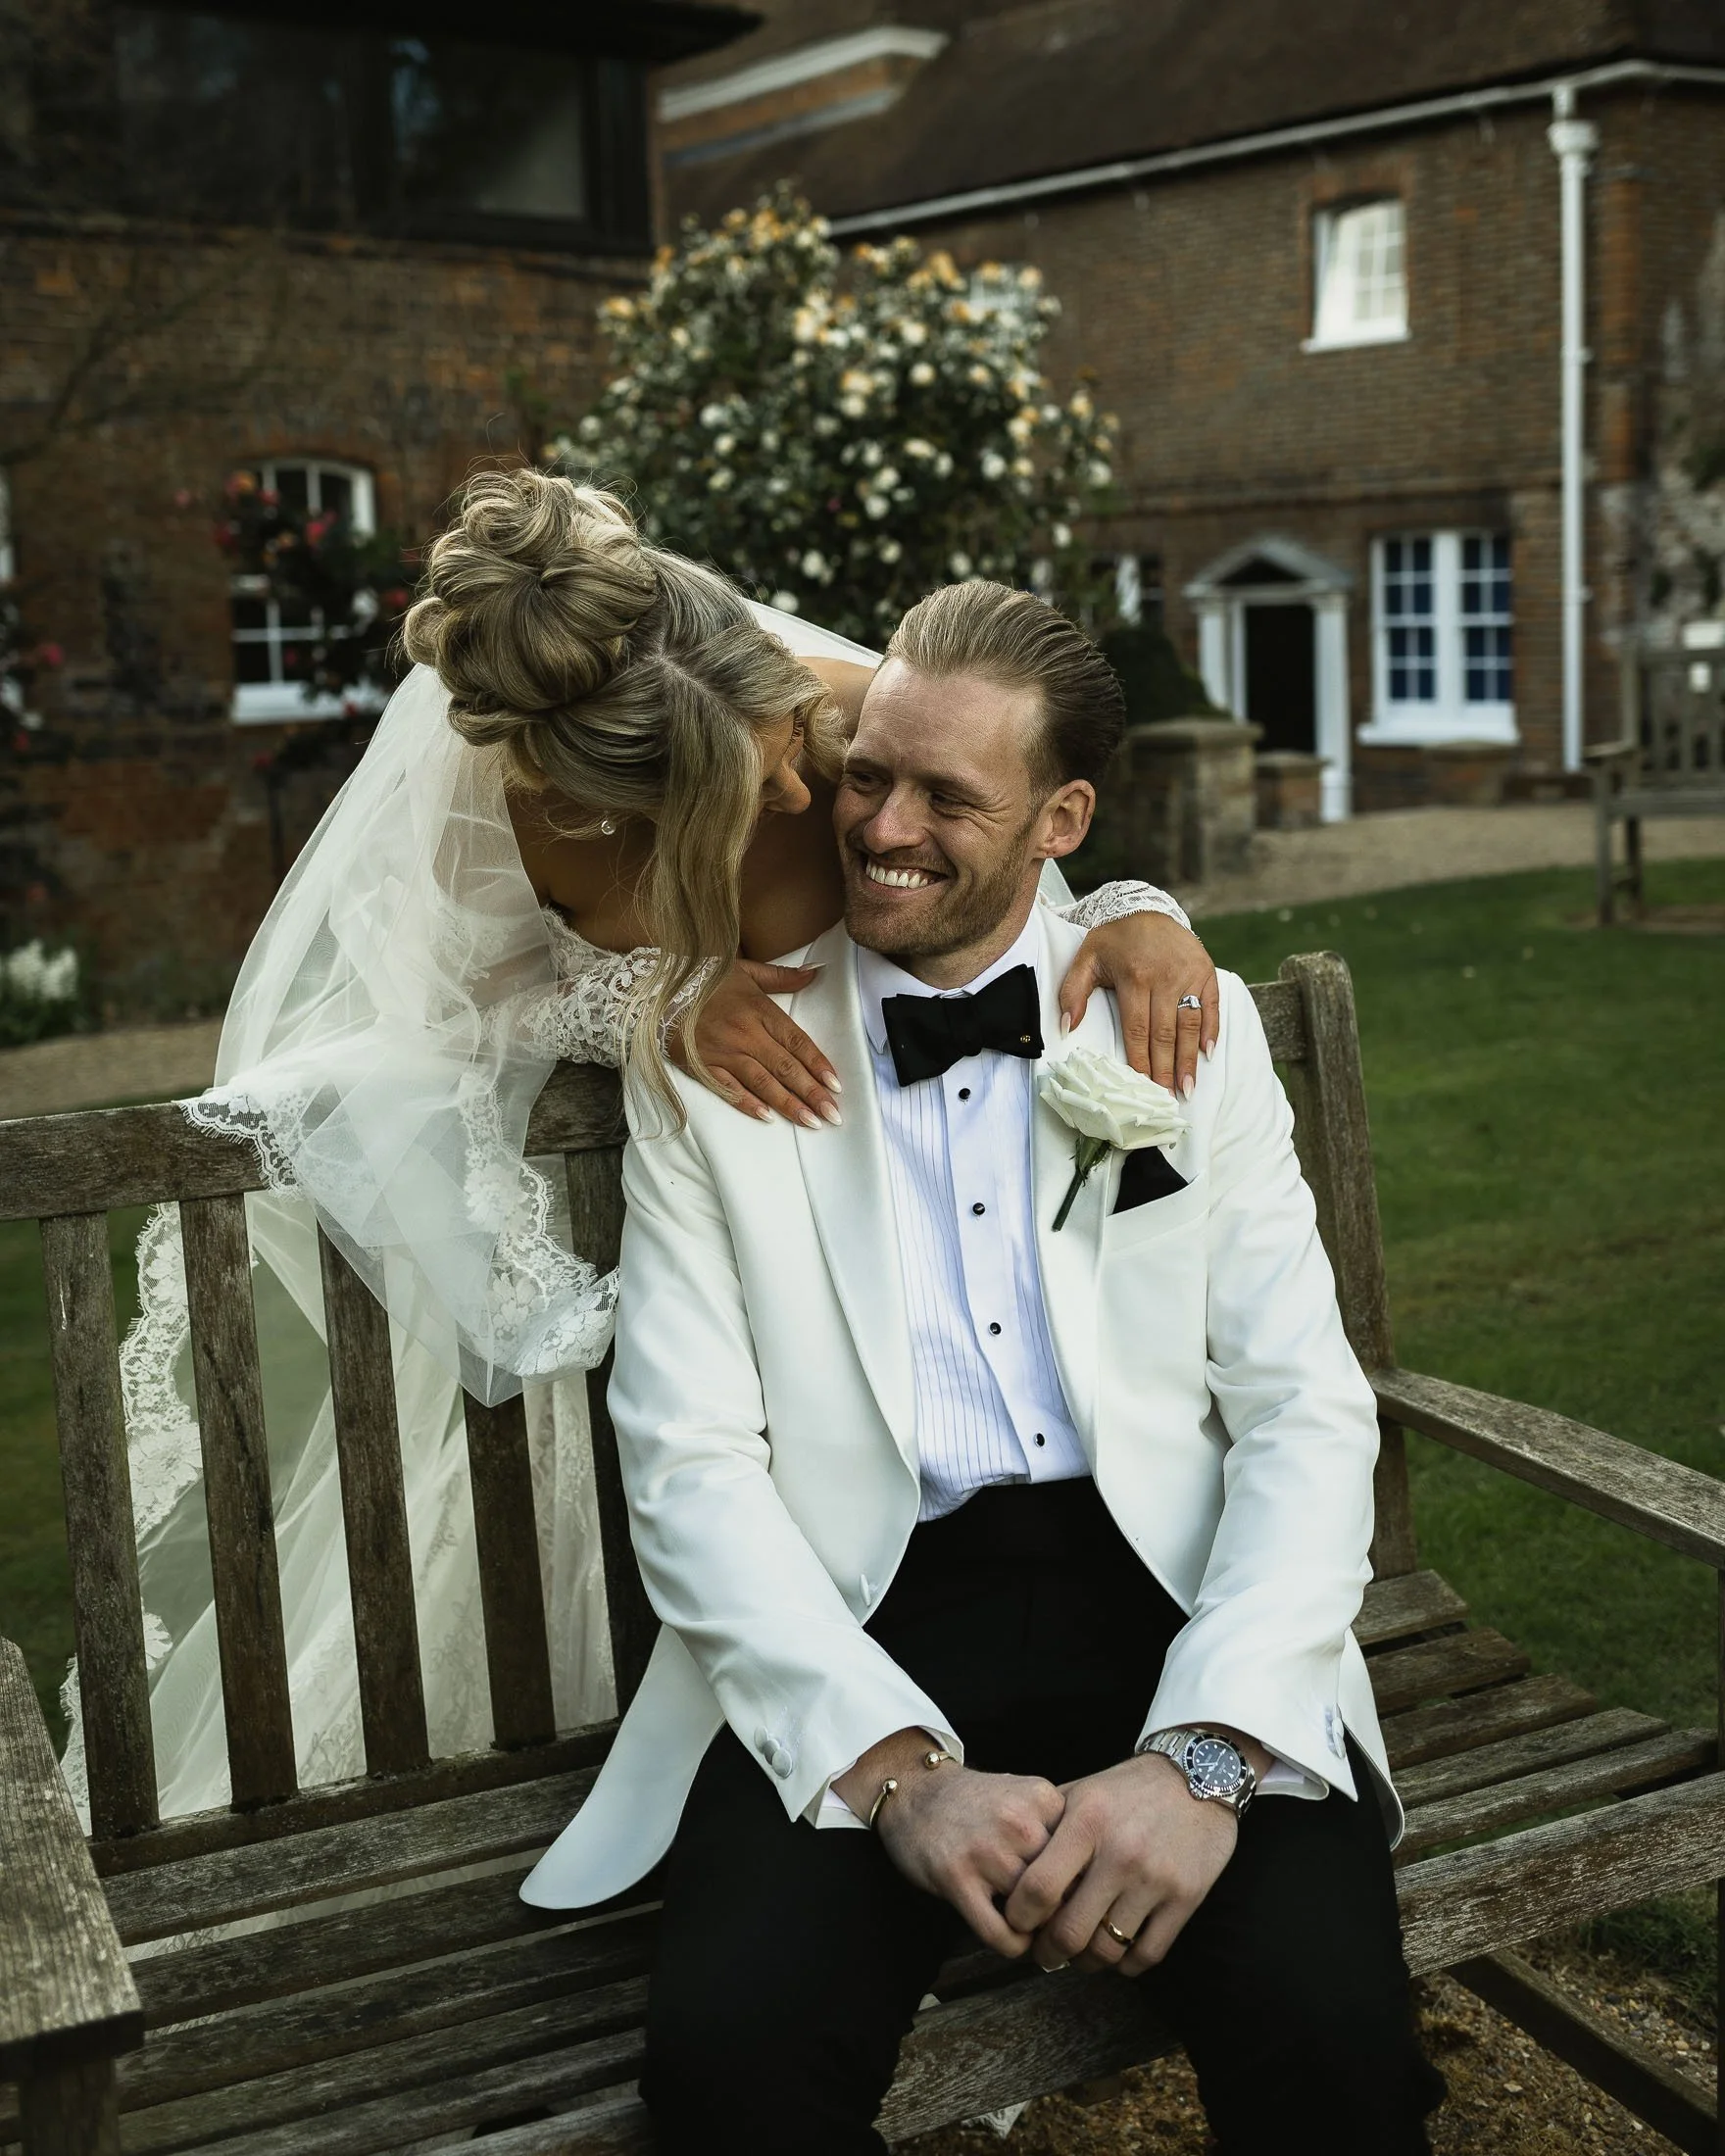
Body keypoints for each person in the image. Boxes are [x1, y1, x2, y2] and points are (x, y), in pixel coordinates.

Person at [62, 468, 1218, 1823]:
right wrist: (651, 999)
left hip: (896, 1209)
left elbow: (1016, 850)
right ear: (630, 805)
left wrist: (1139, 902)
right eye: (762, 774)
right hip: (673, 1219)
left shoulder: (851, 707)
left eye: (793, 731)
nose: (810, 782)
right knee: (661, 1504)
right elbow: (453, 1003)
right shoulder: (510, 811)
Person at [521, 577, 1445, 2153]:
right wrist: (895, 1777)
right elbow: (686, 1466)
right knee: (731, 2073)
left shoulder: (1177, 1020)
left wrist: (1207, 1757)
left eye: (952, 798)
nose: (879, 826)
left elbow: (1303, 1409)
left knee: (1336, 2044)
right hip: (856, 1610)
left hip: (1168, 1587)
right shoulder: (717, 1057)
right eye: (867, 772)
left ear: (1062, 816)